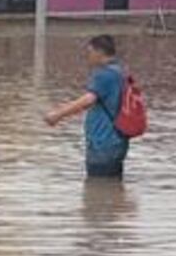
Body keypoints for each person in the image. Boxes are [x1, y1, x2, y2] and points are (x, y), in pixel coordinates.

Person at [44, 34, 130, 178]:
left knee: (97, 191)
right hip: (117, 141)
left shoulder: (104, 75)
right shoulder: (120, 72)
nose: (88, 57)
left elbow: (88, 100)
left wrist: (57, 115)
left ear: (100, 52)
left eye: (89, 52)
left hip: (102, 143)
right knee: (111, 187)